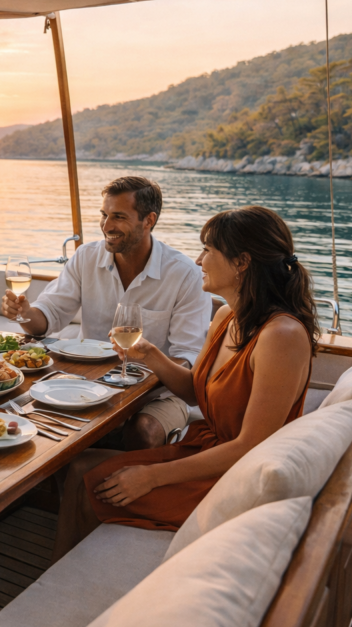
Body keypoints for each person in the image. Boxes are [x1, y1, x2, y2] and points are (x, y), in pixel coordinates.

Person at [51, 206, 319, 562]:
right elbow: (197, 392)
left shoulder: (281, 336)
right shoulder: (226, 316)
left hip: (234, 475)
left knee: (93, 484)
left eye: (208, 250)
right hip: (206, 448)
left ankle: (76, 586)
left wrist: (152, 476)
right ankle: (66, 575)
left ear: (241, 262)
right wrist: (150, 355)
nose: (198, 260)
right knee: (81, 466)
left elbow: (249, 446)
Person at [3, 176, 212, 450]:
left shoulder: (185, 275)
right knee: (28, 418)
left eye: (119, 217)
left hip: (158, 393)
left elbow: (187, 359)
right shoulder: (85, 257)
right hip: (85, 383)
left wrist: (148, 360)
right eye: (104, 215)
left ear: (148, 220)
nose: (106, 226)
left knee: (145, 432)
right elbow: (47, 318)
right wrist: (26, 312)